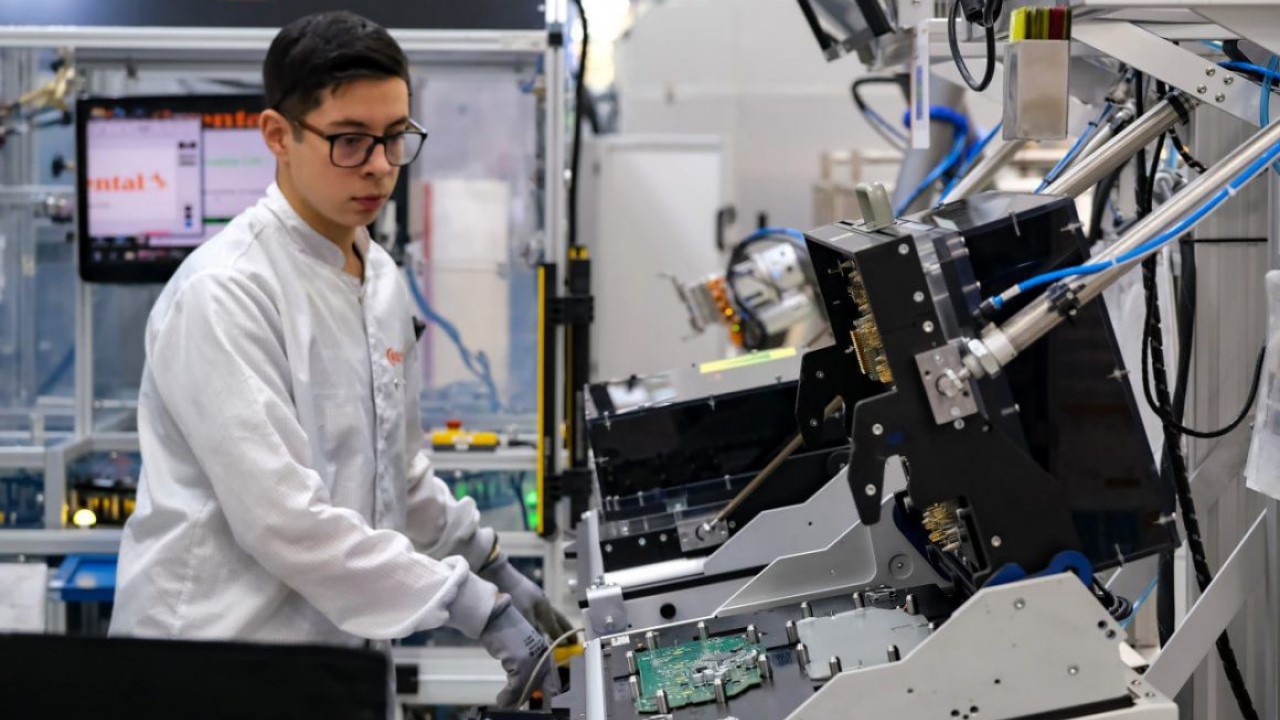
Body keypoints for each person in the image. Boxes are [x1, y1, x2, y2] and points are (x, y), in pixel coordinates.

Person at [109, 10, 568, 708]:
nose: (380, 166)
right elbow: (282, 518)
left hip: (331, 665)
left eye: (395, 137)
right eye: (350, 141)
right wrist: (473, 605)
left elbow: (395, 474)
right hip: (212, 665)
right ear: (278, 135)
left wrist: (490, 563)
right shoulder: (226, 291)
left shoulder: (377, 276)